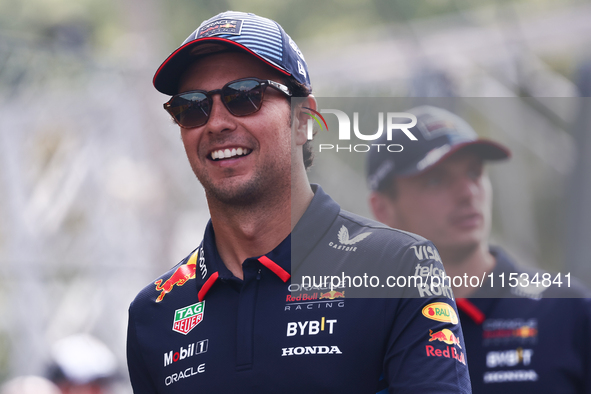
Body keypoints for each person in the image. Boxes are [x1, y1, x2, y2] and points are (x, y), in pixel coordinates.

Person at [126, 11, 471, 393]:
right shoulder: (152, 314)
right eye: (192, 106)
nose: (216, 122)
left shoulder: (399, 266)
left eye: (244, 96)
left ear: (303, 119)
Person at [367, 105, 591, 393]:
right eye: (436, 179)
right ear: (382, 207)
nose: (468, 192)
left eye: (474, 173)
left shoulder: (566, 310)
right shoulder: (363, 327)